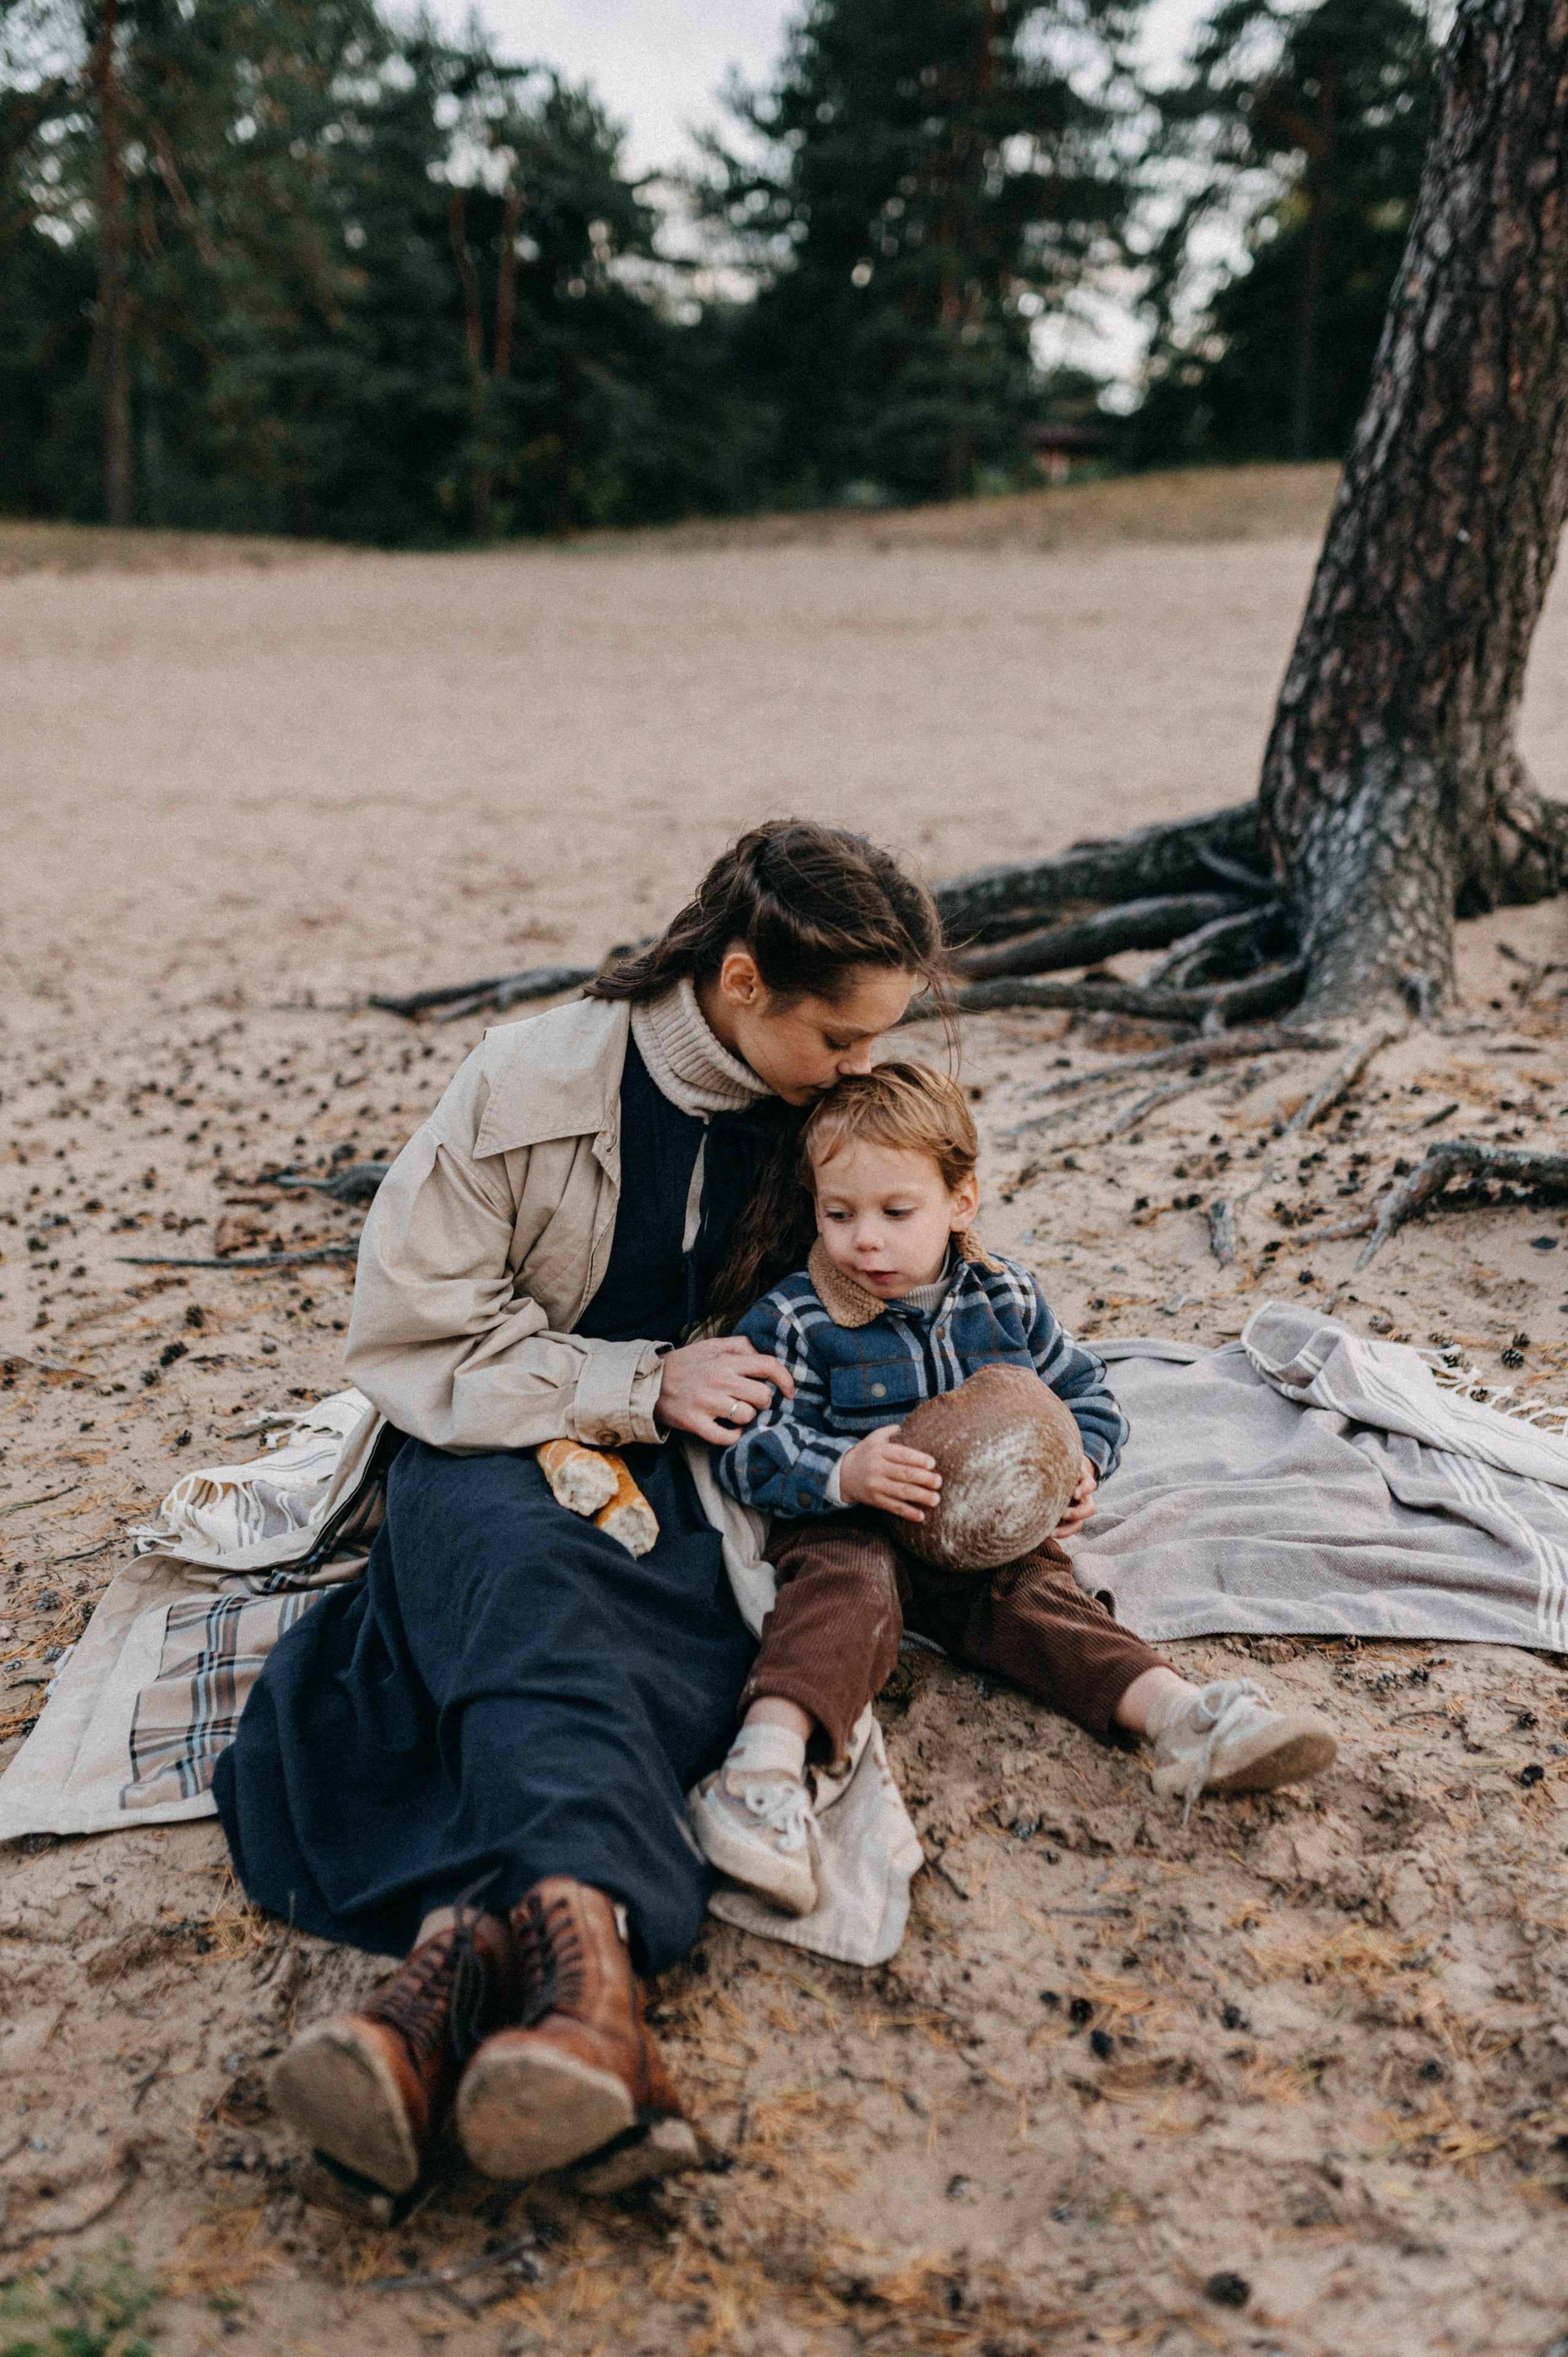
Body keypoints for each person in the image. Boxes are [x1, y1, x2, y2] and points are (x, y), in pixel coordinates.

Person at [213, 820, 942, 2200]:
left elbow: (925, 1272)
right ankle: (594, 1997)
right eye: (839, 1036)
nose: (861, 1067)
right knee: (518, 1584)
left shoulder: (835, 1114)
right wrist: (639, 1382)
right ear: (742, 982)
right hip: (492, 1429)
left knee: (638, 1628)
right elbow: (410, 1335)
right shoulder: (528, 1082)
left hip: (720, 1463)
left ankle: (442, 1985)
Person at [689, 1063, 1338, 1918]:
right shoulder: (796, 1318)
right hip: (854, 1524)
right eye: (838, 1214)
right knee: (845, 1595)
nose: (865, 1241)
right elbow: (745, 1447)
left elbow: (1087, 1395)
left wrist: (1081, 1466)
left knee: (1041, 1598)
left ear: (961, 1201)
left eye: (895, 1213)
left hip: (984, 1533)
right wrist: (842, 1473)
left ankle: (1184, 1718)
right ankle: (761, 1773)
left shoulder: (1005, 1297)